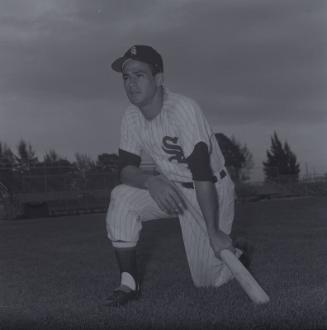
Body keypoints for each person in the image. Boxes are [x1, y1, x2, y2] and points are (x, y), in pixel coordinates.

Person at [105, 45, 249, 307]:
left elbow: (202, 173)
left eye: (139, 75)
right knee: (121, 197)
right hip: (171, 190)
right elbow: (125, 169)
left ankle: (237, 252)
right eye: (126, 77)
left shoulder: (183, 109)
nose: (131, 83)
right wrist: (150, 181)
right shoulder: (131, 116)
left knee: (206, 281)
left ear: (158, 79)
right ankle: (129, 284)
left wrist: (213, 230)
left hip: (210, 188)